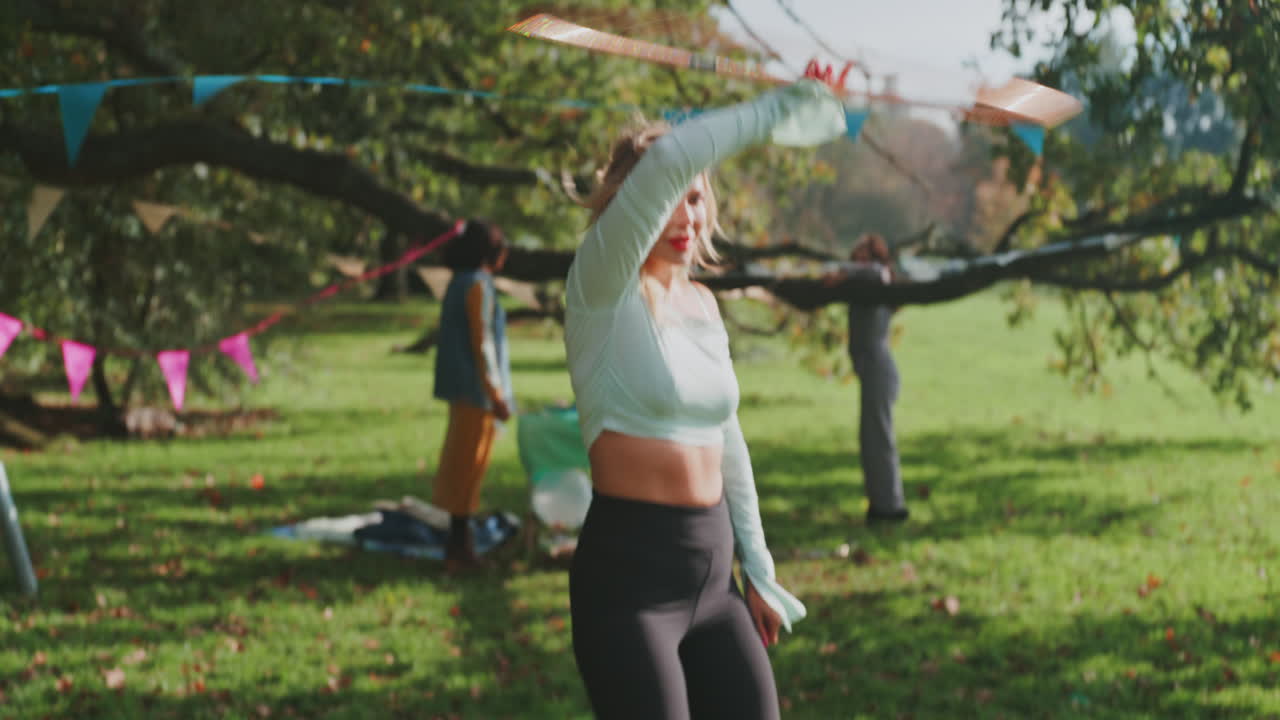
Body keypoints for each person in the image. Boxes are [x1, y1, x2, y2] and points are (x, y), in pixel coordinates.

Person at [563, 75, 846, 719]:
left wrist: (760, 567)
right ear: (627, 208)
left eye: (695, 199)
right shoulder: (600, 289)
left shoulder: (701, 304)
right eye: (669, 200)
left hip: (714, 580)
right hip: (629, 584)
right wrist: (778, 110)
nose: (686, 216)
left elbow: (727, 437)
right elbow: (667, 160)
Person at [431, 220, 513, 573]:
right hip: (476, 392)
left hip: (461, 389)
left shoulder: (457, 283)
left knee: (461, 465)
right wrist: (496, 393)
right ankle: (459, 550)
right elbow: (483, 342)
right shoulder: (478, 285)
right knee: (468, 468)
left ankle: (458, 543)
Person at [838, 233, 908, 525]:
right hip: (873, 373)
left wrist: (842, 275)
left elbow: (873, 274)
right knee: (871, 440)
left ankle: (890, 507)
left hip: (880, 371)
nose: (859, 263)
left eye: (865, 257)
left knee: (879, 440)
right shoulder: (860, 284)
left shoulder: (877, 280)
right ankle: (880, 502)